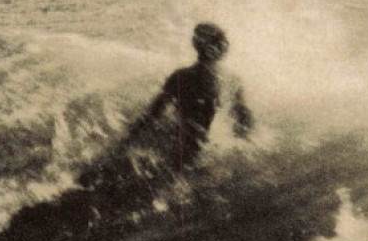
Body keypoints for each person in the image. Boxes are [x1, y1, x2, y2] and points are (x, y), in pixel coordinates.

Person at [87, 23, 253, 178]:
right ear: (219, 47)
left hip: (179, 148)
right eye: (225, 43)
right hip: (207, 153)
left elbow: (152, 115)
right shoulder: (232, 81)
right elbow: (244, 123)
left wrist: (124, 143)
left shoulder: (180, 76)